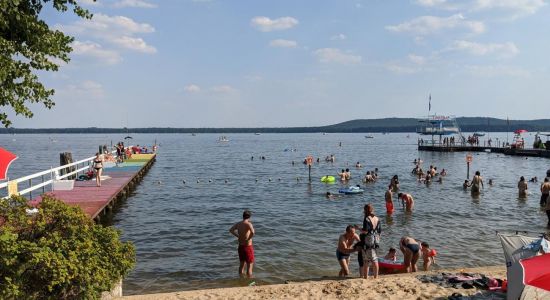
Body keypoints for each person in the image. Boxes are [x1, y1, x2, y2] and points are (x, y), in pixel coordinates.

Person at [356, 204, 381, 279]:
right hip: (376, 238)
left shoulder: (367, 218)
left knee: (366, 260)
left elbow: (365, 231)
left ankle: (365, 277)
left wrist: (358, 228)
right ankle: (376, 277)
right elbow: (379, 231)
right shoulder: (377, 218)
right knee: (375, 258)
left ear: (365, 210)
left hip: (368, 239)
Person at [229, 210, 255, 278]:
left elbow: (231, 230)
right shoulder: (249, 224)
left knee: (241, 265)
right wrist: (249, 238)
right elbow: (253, 232)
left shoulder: (238, 223)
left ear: (243, 216)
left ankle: (241, 280)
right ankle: (249, 282)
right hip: (247, 247)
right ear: (249, 217)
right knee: (249, 266)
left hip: (240, 247)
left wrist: (238, 236)